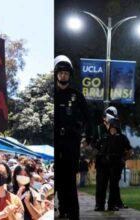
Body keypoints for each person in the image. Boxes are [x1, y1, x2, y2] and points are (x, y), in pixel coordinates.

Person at [54, 55, 91, 220]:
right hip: (55, 143)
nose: (63, 76)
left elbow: (88, 117)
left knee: (69, 181)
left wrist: (86, 136)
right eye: (60, 73)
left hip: (71, 143)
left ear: (70, 75)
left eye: (66, 73)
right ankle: (59, 211)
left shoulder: (76, 95)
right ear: (56, 74)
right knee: (56, 179)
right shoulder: (51, 94)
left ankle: (73, 215)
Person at [94, 118, 131, 211]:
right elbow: (97, 148)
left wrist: (124, 159)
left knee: (113, 186)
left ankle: (111, 205)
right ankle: (100, 205)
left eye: (113, 126)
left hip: (116, 163)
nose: (112, 128)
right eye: (111, 126)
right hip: (103, 164)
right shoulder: (104, 136)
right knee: (102, 185)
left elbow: (129, 150)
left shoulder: (122, 137)